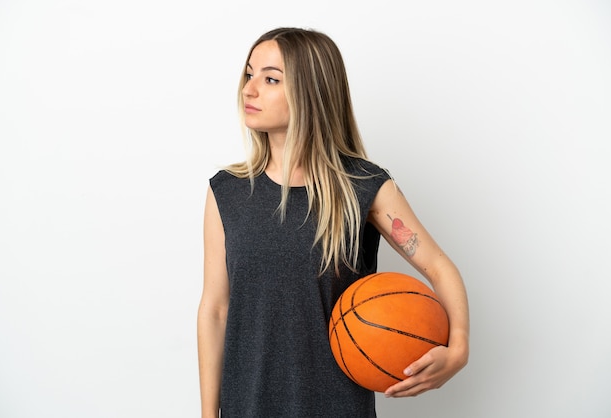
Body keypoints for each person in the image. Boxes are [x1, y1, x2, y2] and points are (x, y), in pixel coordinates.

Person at [197, 27, 469, 418]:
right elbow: (215, 310)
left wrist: (457, 347)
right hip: (248, 406)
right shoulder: (227, 192)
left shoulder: (364, 188)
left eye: (270, 79)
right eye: (249, 74)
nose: (249, 89)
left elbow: (438, 267)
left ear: (311, 92)